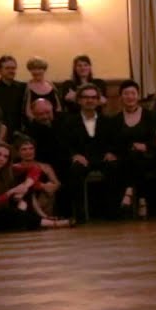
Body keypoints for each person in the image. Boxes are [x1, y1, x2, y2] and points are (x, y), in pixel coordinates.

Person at [0, 141, 66, 231]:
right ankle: (53, 223)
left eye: (5, 157)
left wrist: (25, 187)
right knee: (10, 213)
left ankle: (40, 219)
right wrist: (12, 191)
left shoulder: (7, 170)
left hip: (2, 210)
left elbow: (35, 169)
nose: (1, 159)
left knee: (25, 188)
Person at [58, 83, 119, 220]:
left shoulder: (108, 121)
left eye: (93, 97)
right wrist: (74, 155)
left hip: (103, 159)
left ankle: (112, 213)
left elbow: (114, 141)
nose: (89, 100)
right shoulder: (69, 122)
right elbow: (64, 144)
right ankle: (80, 215)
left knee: (115, 167)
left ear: (98, 101)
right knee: (74, 170)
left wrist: (111, 152)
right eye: (85, 97)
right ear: (79, 100)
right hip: (82, 160)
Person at [113, 80, 156, 217]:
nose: (130, 97)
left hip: (148, 156)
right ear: (121, 97)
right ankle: (142, 200)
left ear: (138, 96)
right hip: (125, 157)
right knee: (133, 157)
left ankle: (128, 191)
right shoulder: (116, 119)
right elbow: (115, 143)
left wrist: (145, 146)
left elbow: (154, 141)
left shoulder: (149, 116)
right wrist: (131, 147)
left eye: (133, 93)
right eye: (126, 93)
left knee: (137, 157)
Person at [12, 136, 67, 224]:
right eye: (24, 149)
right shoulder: (14, 168)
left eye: (31, 148)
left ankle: (45, 218)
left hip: (43, 199)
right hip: (24, 200)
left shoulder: (45, 166)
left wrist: (49, 187)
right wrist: (41, 186)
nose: (28, 152)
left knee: (49, 190)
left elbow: (57, 184)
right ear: (18, 152)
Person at [21, 57, 63, 123]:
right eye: (33, 69)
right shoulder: (27, 87)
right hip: (35, 124)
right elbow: (27, 111)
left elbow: (59, 107)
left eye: (39, 69)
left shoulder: (51, 85)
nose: (37, 72)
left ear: (44, 70)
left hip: (55, 122)